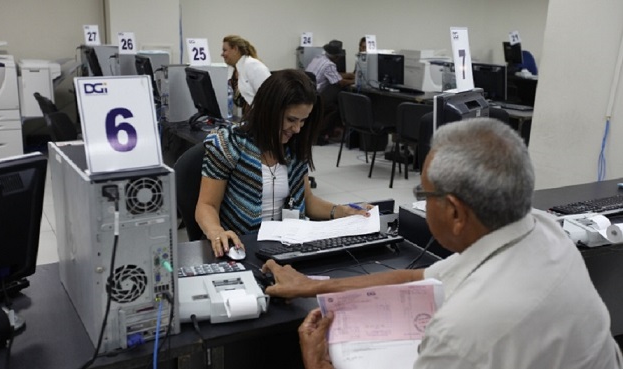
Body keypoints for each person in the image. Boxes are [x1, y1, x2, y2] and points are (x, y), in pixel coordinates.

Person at [263, 117, 623, 369]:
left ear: (454, 212)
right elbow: (424, 277)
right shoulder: (542, 230)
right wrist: (313, 286)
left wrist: (318, 364)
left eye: (424, 193)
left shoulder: (460, 333)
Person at [195, 69, 371, 258]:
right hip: (244, 246)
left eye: (303, 121)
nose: (296, 129)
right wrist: (216, 232)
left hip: (288, 248)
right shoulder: (228, 143)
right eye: (291, 120)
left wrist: (342, 211)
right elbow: (206, 205)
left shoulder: (294, 148)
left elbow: (308, 202)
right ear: (269, 111)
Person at [305, 40, 355, 145]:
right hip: (315, 97)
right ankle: (320, 135)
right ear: (337, 57)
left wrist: (349, 74)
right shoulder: (329, 65)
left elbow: (333, 74)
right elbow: (340, 83)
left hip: (306, 93)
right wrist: (355, 81)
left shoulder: (318, 58)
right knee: (336, 107)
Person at [221, 35, 271, 116]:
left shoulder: (253, 66)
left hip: (259, 119)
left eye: (224, 50)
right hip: (243, 119)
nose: (222, 54)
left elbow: (269, 97)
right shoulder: (233, 69)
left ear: (235, 49)